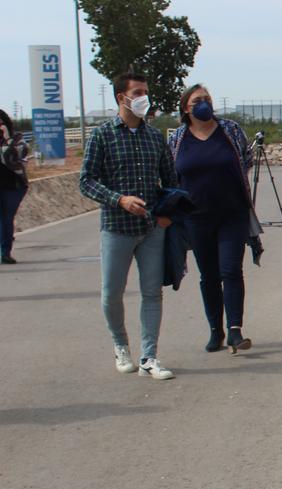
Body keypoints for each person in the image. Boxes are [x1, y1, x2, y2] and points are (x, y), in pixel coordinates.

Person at [79, 72, 177, 380]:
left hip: (151, 230)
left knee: (152, 293)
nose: (144, 98)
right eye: (138, 92)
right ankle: (121, 345)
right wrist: (118, 199)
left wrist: (166, 213)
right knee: (112, 293)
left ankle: (149, 356)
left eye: (146, 91)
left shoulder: (153, 137)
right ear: (122, 97)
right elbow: (86, 181)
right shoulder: (102, 135)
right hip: (116, 227)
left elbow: (171, 180)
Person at [168, 84, 262, 354]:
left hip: (232, 214)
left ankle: (235, 330)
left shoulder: (230, 130)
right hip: (196, 218)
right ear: (186, 108)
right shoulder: (177, 139)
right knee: (208, 275)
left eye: (207, 99)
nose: (204, 104)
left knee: (231, 270)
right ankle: (215, 330)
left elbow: (246, 159)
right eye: (198, 100)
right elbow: (172, 174)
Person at [0, 109, 30, 264]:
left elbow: (8, 157)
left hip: (13, 186)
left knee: (6, 218)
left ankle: (5, 252)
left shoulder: (18, 140)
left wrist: (6, 139)